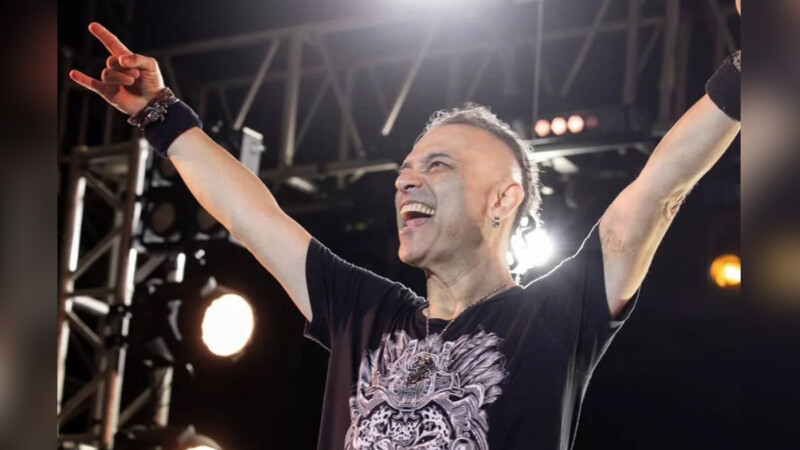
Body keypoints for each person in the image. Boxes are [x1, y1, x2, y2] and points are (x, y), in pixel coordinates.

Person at [69, 7, 741, 448]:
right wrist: (159, 113)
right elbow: (250, 215)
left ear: (503, 199)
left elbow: (656, 192)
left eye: (437, 166)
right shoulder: (364, 311)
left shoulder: (553, 320)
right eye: (405, 168)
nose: (405, 181)